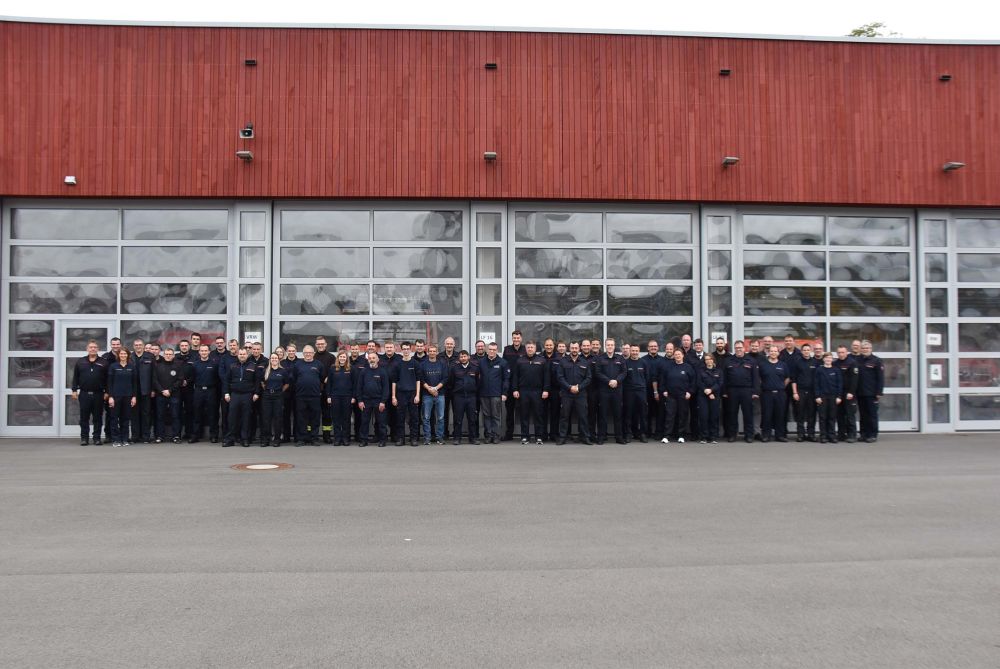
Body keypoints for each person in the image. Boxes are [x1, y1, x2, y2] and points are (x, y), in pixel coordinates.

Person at [71, 339, 108, 446]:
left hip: (99, 394)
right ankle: (84, 438)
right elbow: (75, 377)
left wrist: (107, 392)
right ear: (87, 349)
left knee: (98, 417)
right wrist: (74, 390)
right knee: (84, 418)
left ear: (98, 349)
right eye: (91, 347)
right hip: (84, 394)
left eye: (95, 347)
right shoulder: (80, 361)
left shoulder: (103, 362)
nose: (93, 349)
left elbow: (108, 379)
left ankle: (97, 438)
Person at [512, 340, 549, 445]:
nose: (530, 349)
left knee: (538, 415)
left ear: (535, 348)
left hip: (538, 391)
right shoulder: (520, 361)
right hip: (523, 391)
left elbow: (546, 377)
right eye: (528, 347)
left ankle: (539, 437)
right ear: (526, 348)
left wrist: (546, 390)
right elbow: (515, 377)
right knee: (524, 414)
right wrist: (515, 389)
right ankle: (525, 436)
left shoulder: (542, 361)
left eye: (532, 347)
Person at [722, 341, 760, 443]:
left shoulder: (751, 361)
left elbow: (755, 378)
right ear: (734, 348)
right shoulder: (728, 360)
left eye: (740, 347)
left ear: (744, 348)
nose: (738, 349)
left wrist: (755, 391)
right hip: (732, 390)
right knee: (732, 414)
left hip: (747, 390)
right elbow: (724, 378)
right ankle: (732, 435)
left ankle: (749, 435)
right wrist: (724, 391)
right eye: (736, 347)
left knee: (748, 414)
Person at [556, 341, 592, 445]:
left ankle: (585, 437)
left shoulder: (585, 362)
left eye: (576, 348)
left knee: (583, 416)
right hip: (567, 394)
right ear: (569, 349)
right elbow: (560, 377)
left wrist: (579, 387)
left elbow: (589, 378)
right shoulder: (563, 361)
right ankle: (562, 437)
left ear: (579, 348)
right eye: (572, 348)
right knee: (564, 416)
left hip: (581, 394)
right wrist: (569, 387)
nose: (574, 350)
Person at [222, 347, 256, 447]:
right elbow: (226, 381)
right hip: (235, 395)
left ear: (247, 354)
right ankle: (230, 439)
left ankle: (244, 439)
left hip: (247, 395)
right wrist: (226, 393)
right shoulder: (232, 366)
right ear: (238, 355)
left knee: (246, 417)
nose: (242, 356)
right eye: (240, 354)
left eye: (244, 354)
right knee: (232, 417)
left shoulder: (253, 366)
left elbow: (257, 381)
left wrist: (256, 393)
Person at [292, 344, 326, 446]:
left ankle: (314, 438)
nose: (308, 354)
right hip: (301, 396)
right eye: (306, 353)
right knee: (301, 418)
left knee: (315, 418)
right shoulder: (297, 364)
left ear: (313, 353)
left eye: (310, 353)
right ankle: (302, 438)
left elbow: (322, 379)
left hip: (315, 396)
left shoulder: (319, 364)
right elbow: (294, 379)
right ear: (303, 354)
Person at [595, 338, 626, 445]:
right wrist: (608, 381)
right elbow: (597, 373)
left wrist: (617, 381)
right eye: (608, 345)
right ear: (605, 346)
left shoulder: (620, 358)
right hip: (604, 391)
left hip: (617, 390)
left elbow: (624, 372)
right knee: (602, 414)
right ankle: (601, 437)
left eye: (612, 345)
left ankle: (619, 437)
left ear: (614, 346)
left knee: (618, 414)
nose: (610, 347)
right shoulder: (600, 358)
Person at [355, 350, 390, 447]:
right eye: (370, 358)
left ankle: (382, 440)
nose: (372, 360)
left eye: (373, 358)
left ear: (378, 359)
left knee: (381, 422)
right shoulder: (363, 371)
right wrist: (360, 400)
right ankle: (364, 440)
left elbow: (386, 388)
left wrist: (383, 402)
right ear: (367, 360)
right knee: (364, 422)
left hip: (379, 401)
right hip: (366, 401)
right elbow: (359, 387)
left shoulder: (382, 372)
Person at [660, 348, 695, 443]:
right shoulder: (668, 366)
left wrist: (690, 392)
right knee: (669, 416)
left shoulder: (688, 367)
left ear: (683, 355)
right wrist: (664, 390)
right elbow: (663, 380)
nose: (677, 356)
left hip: (683, 395)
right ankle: (667, 436)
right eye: (676, 354)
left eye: (679, 354)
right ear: (674, 356)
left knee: (682, 415)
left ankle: (681, 435)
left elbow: (693, 381)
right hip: (671, 395)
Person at [187, 344, 219, 443]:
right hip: (198, 391)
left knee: (212, 414)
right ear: (199, 352)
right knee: (196, 413)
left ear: (209, 352)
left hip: (211, 391)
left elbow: (218, 378)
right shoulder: (195, 364)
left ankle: (213, 435)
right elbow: (191, 379)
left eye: (206, 351)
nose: (204, 352)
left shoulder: (214, 364)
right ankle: (195, 435)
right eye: (202, 351)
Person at [478, 342, 509, 444]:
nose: (492, 351)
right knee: (486, 416)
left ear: (497, 350)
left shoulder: (502, 362)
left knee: (495, 416)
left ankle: (496, 436)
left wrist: (504, 393)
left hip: (496, 394)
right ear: (487, 350)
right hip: (484, 393)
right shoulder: (481, 362)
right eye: (490, 349)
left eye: (494, 349)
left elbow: (506, 379)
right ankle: (488, 435)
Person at [391, 342, 421, 446]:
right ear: (401, 350)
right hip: (400, 394)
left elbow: (418, 381)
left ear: (411, 350)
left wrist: (417, 395)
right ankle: (401, 439)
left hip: (412, 394)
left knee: (414, 418)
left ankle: (413, 439)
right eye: (404, 349)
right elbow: (394, 381)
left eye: (408, 349)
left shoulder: (415, 363)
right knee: (400, 417)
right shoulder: (397, 364)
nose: (406, 351)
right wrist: (393, 396)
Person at [759, 344, 791, 442]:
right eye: (771, 351)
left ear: (778, 353)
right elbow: (759, 378)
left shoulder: (783, 365)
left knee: (780, 414)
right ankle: (766, 435)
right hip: (767, 393)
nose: (773, 353)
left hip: (780, 394)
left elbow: (787, 378)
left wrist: (780, 386)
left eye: (775, 351)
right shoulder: (763, 364)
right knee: (767, 414)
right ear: (768, 353)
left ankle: (779, 435)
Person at [106, 349, 138, 447]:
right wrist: (110, 397)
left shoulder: (131, 367)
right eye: (121, 353)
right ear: (118, 355)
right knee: (114, 418)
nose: (123, 355)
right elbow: (109, 383)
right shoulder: (113, 366)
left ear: (128, 355)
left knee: (125, 418)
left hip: (128, 396)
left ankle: (125, 439)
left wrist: (134, 397)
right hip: (116, 396)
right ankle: (116, 440)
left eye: (125, 353)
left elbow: (134, 383)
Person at [152, 347, 185, 443]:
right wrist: (162, 390)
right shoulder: (158, 366)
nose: (168, 356)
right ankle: (159, 436)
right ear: (164, 355)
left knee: (175, 415)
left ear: (173, 356)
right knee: (160, 416)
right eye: (166, 354)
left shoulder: (178, 366)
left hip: (174, 395)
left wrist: (170, 390)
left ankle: (176, 436)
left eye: (170, 354)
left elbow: (180, 380)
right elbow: (154, 380)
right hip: (160, 394)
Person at [257, 353, 289, 447]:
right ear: (270, 360)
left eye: (275, 358)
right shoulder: (265, 371)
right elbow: (262, 382)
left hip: (278, 396)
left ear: (278, 359)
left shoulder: (283, 371)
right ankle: (265, 439)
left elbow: (287, 384)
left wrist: (279, 391)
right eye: (272, 358)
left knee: (277, 418)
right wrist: (267, 390)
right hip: (267, 396)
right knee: (266, 418)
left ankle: (277, 439)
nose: (274, 359)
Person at [856, 340, 885, 443]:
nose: (865, 350)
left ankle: (872, 434)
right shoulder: (858, 360)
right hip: (860, 393)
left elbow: (880, 378)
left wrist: (879, 392)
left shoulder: (876, 361)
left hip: (872, 393)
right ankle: (863, 434)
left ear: (871, 349)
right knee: (863, 415)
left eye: (867, 348)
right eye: (863, 348)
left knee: (872, 415)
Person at [450, 350, 481, 445]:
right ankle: (457, 438)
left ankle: (473, 438)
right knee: (458, 419)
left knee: (472, 419)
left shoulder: (475, 368)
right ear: (459, 358)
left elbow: (478, 382)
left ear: (468, 357)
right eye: (461, 357)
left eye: (465, 356)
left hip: (471, 397)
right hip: (459, 397)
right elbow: (451, 383)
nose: (463, 358)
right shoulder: (455, 368)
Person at [419, 344, 448, 445]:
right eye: (430, 351)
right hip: (427, 394)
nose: (432, 353)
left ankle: (439, 437)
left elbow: (445, 378)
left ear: (436, 352)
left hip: (440, 394)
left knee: (441, 417)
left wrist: (435, 388)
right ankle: (427, 437)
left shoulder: (442, 364)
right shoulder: (423, 364)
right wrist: (429, 389)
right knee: (426, 417)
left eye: (433, 351)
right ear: (428, 352)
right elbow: (421, 379)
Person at [792, 343, 821, 442]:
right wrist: (795, 393)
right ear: (802, 351)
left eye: (808, 350)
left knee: (811, 414)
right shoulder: (797, 362)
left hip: (812, 392)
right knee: (800, 414)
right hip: (800, 391)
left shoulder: (815, 362)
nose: (806, 351)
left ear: (810, 351)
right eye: (804, 350)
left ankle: (811, 434)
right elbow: (794, 379)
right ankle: (800, 434)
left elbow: (818, 380)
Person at [129, 338, 156, 444]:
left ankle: (146, 436)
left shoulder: (150, 357)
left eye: (140, 345)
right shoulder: (130, 357)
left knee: (146, 414)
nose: (138, 346)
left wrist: (153, 389)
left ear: (144, 346)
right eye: (136, 345)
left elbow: (154, 374)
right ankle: (135, 436)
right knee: (134, 414)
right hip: (133, 391)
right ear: (133, 346)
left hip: (146, 390)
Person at [622, 344, 650, 443]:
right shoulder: (625, 363)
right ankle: (628, 434)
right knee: (628, 413)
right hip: (629, 391)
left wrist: (641, 385)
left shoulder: (644, 363)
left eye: (636, 351)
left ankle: (642, 434)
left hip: (641, 391)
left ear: (639, 351)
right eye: (633, 351)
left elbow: (647, 378)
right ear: (630, 351)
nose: (634, 352)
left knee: (642, 413)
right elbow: (623, 378)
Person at [501, 330, 526, 440]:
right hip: (510, 384)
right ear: (512, 339)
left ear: (521, 338)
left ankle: (524, 434)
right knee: (509, 411)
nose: (516, 340)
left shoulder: (526, 349)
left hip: (522, 384)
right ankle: (509, 434)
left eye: (518, 338)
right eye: (514, 338)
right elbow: (503, 365)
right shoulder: (507, 349)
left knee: (523, 410)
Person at [814, 352, 843, 443]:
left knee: (832, 417)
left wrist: (839, 396)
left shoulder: (836, 370)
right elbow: (816, 384)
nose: (828, 359)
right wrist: (817, 396)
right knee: (823, 417)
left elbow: (840, 384)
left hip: (833, 397)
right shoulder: (819, 370)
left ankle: (832, 435)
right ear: (823, 359)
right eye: (826, 358)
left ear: (832, 359)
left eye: (830, 358)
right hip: (822, 397)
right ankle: (823, 436)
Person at [326, 350, 355, 446]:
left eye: (344, 357)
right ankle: (337, 438)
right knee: (336, 418)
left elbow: (355, 384)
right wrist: (329, 396)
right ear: (338, 358)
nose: (342, 358)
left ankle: (346, 438)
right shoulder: (333, 368)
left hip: (347, 397)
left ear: (346, 358)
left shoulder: (351, 368)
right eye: (340, 357)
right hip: (335, 397)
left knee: (346, 419)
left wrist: (354, 396)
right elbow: (329, 383)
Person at [834, 345, 859, 443]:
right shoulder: (835, 363)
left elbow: (855, 379)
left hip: (849, 394)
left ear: (846, 352)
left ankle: (852, 434)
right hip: (839, 393)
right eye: (839, 352)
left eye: (842, 352)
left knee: (850, 415)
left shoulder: (852, 363)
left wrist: (851, 392)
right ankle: (841, 434)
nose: (841, 354)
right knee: (839, 415)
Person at [313, 336, 336, 443]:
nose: (320, 345)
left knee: (327, 415)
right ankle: (313, 436)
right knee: (314, 414)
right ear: (316, 345)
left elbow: (335, 372)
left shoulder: (331, 357)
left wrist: (329, 378)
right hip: (315, 390)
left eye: (322, 344)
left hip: (327, 391)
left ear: (326, 344)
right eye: (318, 344)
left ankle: (327, 436)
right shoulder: (312, 357)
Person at [696, 355, 722, 444]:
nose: (708, 361)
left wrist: (711, 390)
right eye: (706, 359)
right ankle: (704, 437)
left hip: (715, 396)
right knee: (704, 416)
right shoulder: (701, 371)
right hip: (703, 396)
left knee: (714, 417)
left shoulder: (718, 371)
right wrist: (707, 391)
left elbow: (720, 383)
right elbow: (699, 383)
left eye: (710, 359)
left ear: (713, 360)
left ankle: (713, 437)